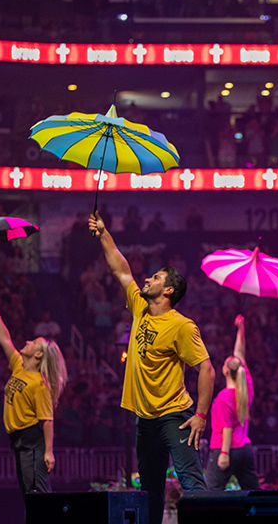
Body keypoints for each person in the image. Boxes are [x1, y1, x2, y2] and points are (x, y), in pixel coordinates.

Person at [89, 213, 215, 524]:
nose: (147, 279)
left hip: (176, 417)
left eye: (156, 278)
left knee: (192, 485)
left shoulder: (181, 326)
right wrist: (104, 233)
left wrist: (200, 416)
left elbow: (207, 370)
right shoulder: (140, 308)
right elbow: (120, 269)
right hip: (145, 420)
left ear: (169, 291)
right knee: (149, 492)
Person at [0, 294, 67, 494]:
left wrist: (48, 452)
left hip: (31, 442)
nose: (28, 341)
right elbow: (5, 339)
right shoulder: (19, 366)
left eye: (34, 343)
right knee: (28, 493)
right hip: (18, 442)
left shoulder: (40, 385)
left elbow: (47, 420)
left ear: (39, 355)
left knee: (36, 494)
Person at [205, 314, 261, 491]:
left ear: (226, 371)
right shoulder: (247, 387)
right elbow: (240, 354)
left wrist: (223, 454)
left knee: (211, 494)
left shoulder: (223, 398)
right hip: (244, 449)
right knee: (254, 493)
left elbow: (227, 429)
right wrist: (241, 330)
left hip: (226, 448)